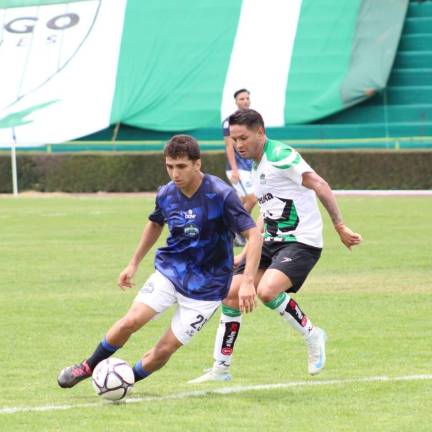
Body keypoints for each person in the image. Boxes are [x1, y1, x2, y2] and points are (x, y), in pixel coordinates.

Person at [57, 135, 262, 389]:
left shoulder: (220, 194)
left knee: (164, 349)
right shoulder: (166, 193)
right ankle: (88, 367)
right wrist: (133, 263)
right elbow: (155, 223)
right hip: (171, 272)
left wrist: (247, 282)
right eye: (170, 166)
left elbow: (254, 235)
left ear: (197, 164)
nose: (175, 173)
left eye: (181, 166)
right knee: (131, 320)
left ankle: (123, 382)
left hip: (208, 289)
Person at [189, 110, 362, 383]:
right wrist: (245, 254)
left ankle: (312, 335)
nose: (238, 145)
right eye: (234, 139)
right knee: (230, 293)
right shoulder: (256, 166)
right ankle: (221, 369)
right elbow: (266, 213)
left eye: (243, 138)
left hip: (301, 241)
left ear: (260, 132)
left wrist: (340, 226)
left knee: (267, 290)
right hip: (270, 242)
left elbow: (319, 183)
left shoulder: (280, 155)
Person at [223, 89, 257, 246]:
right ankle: (238, 231)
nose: (245, 101)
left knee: (242, 201)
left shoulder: (253, 120)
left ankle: (228, 230)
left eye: (247, 98)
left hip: (250, 167)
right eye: (242, 98)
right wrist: (235, 170)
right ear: (236, 102)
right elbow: (229, 146)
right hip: (238, 168)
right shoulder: (229, 122)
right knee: (252, 198)